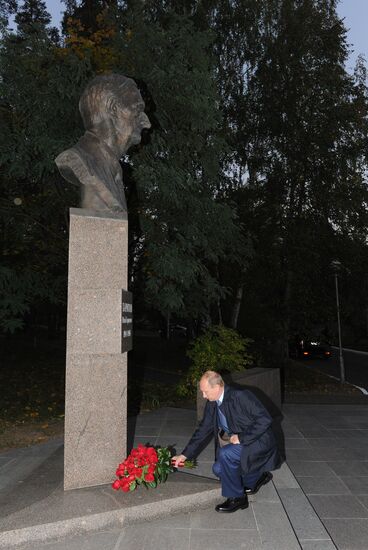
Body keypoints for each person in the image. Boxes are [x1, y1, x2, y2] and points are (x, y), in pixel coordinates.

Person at [172, 370, 280, 513]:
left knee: (226, 454)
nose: (204, 396)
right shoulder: (213, 402)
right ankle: (258, 475)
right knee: (218, 469)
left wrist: (242, 437)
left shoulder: (241, 396)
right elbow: (203, 430)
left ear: (216, 388)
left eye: (205, 392)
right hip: (241, 442)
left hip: (258, 441)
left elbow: (265, 419)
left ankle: (238, 498)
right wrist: (185, 455)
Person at [55, 74, 151, 213]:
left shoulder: (114, 172)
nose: (146, 123)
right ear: (113, 108)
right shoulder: (80, 159)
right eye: (137, 110)